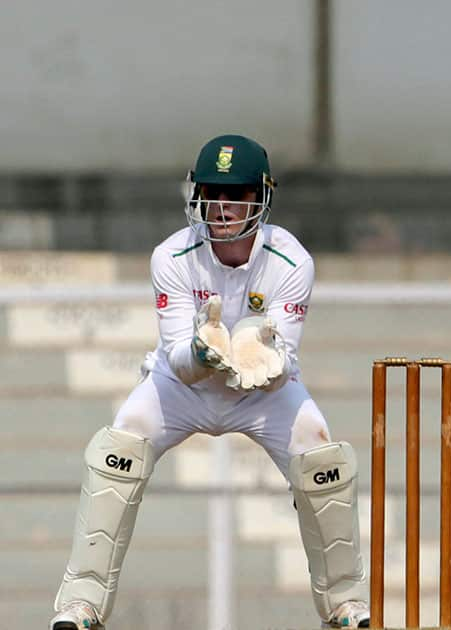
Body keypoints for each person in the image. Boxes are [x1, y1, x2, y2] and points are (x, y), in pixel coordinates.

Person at [50, 135, 370, 630]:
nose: (222, 207)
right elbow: (178, 361)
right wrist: (204, 351)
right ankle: (81, 604)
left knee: (321, 454)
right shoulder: (171, 257)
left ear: (260, 197)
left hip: (262, 393)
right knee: (121, 444)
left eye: (237, 194)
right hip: (184, 389)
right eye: (212, 193)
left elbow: (280, 363)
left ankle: (345, 605)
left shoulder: (292, 261)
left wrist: (257, 356)